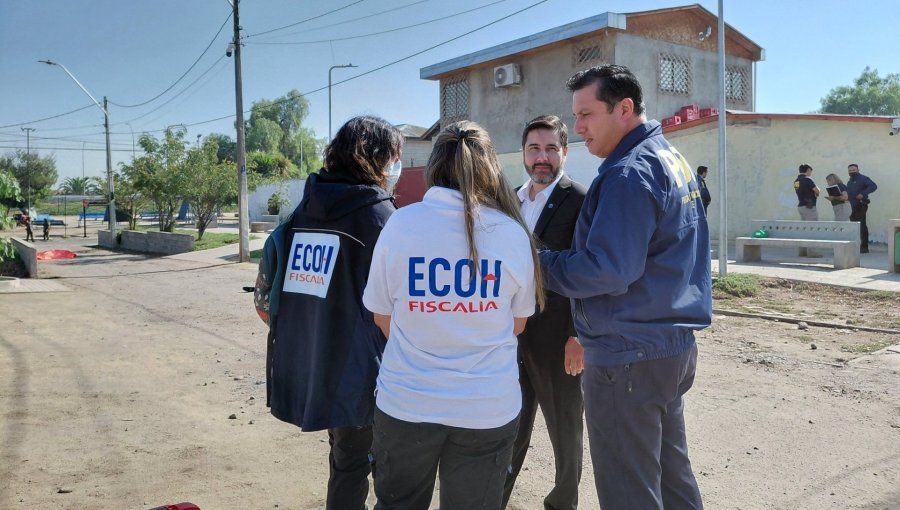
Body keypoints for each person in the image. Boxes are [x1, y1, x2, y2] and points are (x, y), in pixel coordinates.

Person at [539, 65, 711, 510]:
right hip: (666, 347)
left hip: (628, 356)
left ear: (625, 109)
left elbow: (608, 269)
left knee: (629, 490)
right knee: (672, 478)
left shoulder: (627, 174)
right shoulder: (667, 156)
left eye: (587, 115)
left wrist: (536, 265)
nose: (578, 128)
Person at [363, 121, 542, 510]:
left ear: (433, 166)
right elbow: (517, 323)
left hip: (407, 402)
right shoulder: (513, 234)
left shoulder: (400, 225)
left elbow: (382, 317)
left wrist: (427, 341)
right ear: (490, 168)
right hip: (487, 407)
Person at [253, 115, 403, 510]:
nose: (395, 168)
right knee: (376, 466)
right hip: (364, 369)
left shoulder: (305, 209)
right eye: (394, 158)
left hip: (315, 360)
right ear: (377, 157)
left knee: (345, 463)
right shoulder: (379, 217)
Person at [502, 115, 586, 510]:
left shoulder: (581, 201)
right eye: (534, 148)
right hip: (510, 337)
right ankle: (494, 497)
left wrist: (578, 336)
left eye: (551, 148)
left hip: (558, 342)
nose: (542, 157)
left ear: (565, 153)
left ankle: (562, 502)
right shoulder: (507, 201)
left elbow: (589, 273)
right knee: (508, 428)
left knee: (565, 431)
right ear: (523, 152)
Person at [846, 163, 878, 253]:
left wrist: (863, 194)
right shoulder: (850, 181)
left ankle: (864, 247)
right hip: (851, 206)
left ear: (858, 170)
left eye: (854, 170)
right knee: (854, 227)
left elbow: (873, 186)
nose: (852, 172)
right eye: (850, 170)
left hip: (860, 205)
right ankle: (856, 246)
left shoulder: (863, 178)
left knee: (862, 226)